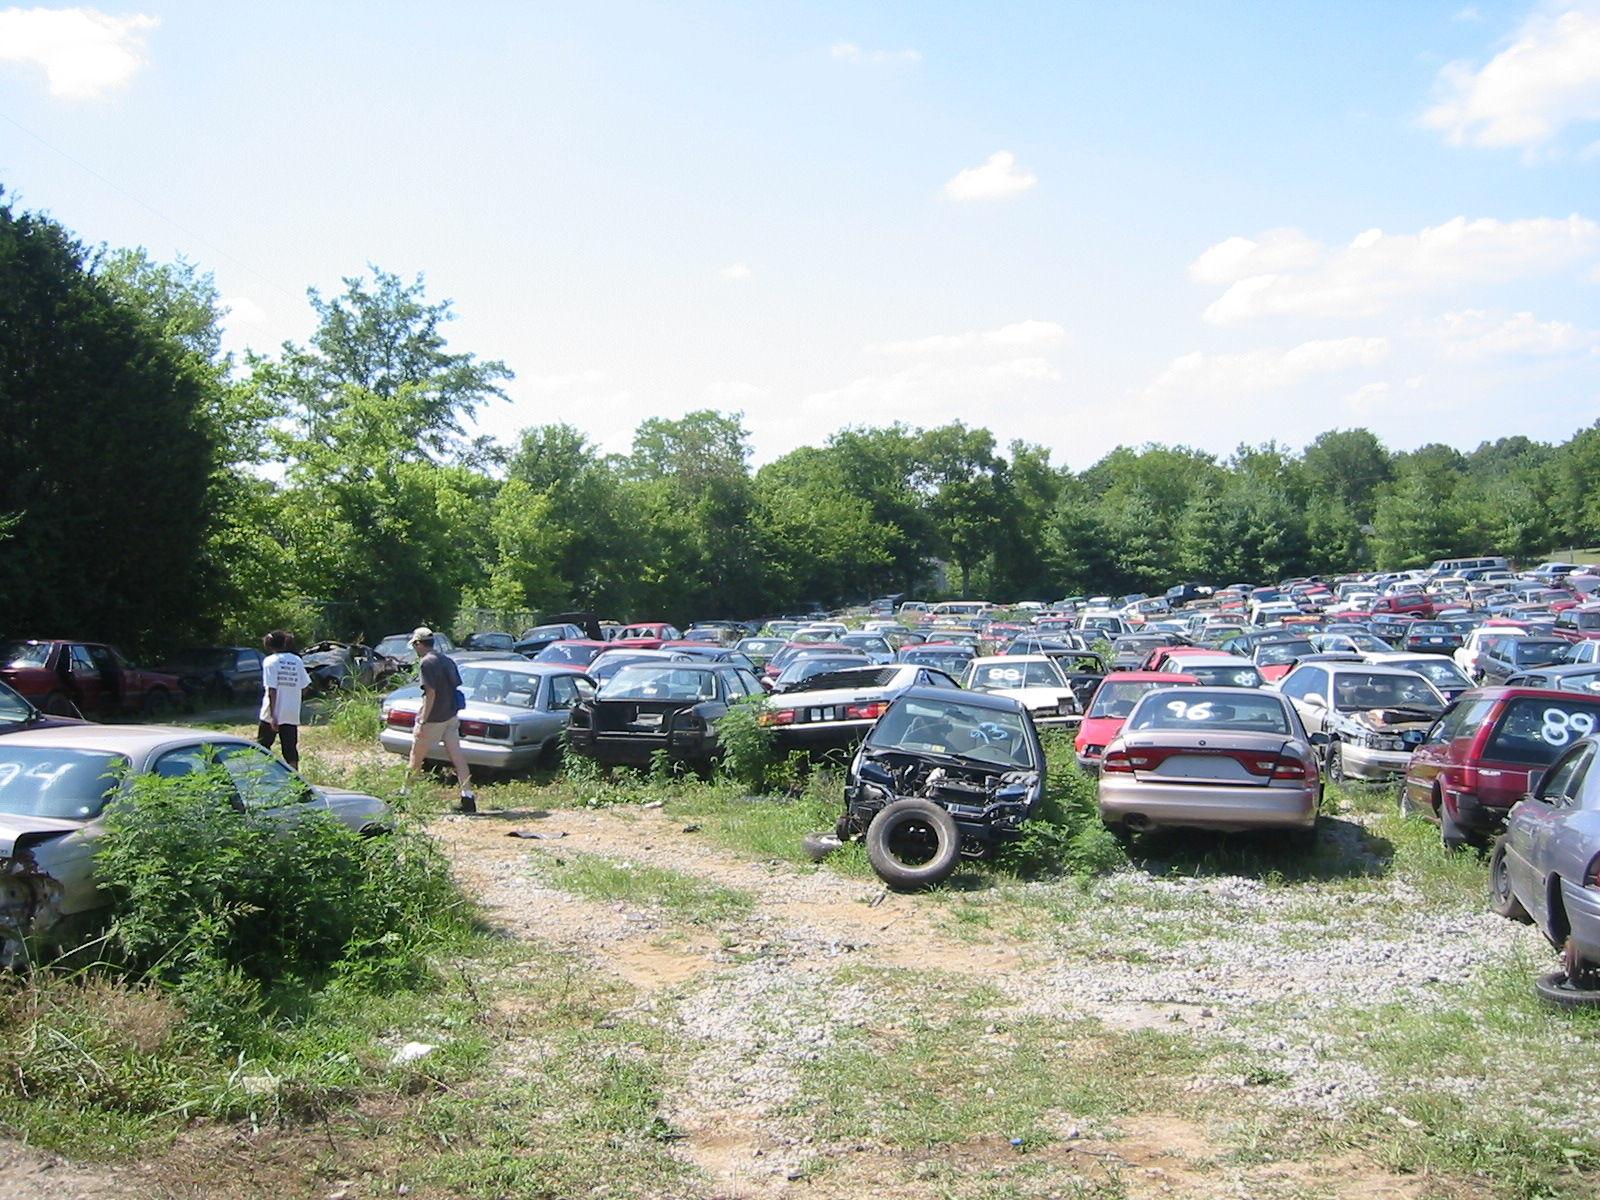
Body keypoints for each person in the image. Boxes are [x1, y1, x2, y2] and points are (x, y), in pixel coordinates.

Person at [408, 627, 476, 813]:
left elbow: (430, 693)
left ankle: (405, 796)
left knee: (416, 756)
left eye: (415, 645)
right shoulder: (447, 660)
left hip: (434, 718)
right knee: (457, 757)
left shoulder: (426, 663)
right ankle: (468, 798)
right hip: (451, 716)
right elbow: (455, 686)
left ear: (419, 644)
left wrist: (422, 721)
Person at [258, 630, 311, 769]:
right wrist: (292, 696)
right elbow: (305, 686)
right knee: (290, 749)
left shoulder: (270, 661)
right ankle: (296, 781)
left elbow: (272, 690)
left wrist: (274, 717)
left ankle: (261, 776)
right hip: (291, 712)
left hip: (271, 713)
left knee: (262, 747)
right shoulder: (296, 660)